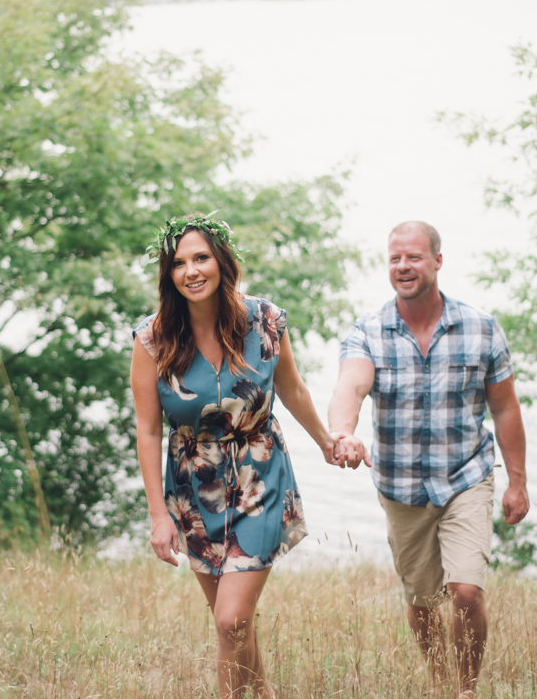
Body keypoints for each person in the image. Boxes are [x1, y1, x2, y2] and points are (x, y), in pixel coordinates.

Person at [131, 212, 366, 699]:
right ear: (168, 274)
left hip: (260, 475)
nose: (192, 271)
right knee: (233, 627)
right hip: (192, 491)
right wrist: (158, 515)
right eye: (180, 263)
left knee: (231, 619)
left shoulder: (265, 320)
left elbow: (293, 389)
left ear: (221, 262)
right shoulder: (152, 338)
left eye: (201, 258)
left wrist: (327, 441)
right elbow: (149, 429)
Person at [327, 220, 529, 698]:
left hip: (465, 477)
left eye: (413, 257)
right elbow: (350, 386)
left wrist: (517, 481)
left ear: (437, 261)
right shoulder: (368, 332)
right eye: (395, 258)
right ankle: (438, 683)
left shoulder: (480, 328)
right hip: (401, 488)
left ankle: (465, 689)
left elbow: (504, 407)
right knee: (422, 602)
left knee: (465, 591)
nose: (403, 266)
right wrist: (343, 431)